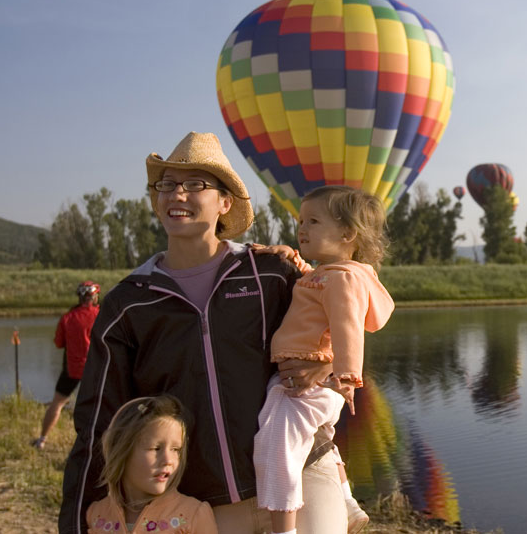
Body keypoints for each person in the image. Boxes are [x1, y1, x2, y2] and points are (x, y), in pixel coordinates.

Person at [60, 132, 349, 534]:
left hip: (301, 474)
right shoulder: (128, 303)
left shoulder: (268, 274)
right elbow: (98, 421)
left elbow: (347, 312)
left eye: (196, 184)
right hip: (201, 501)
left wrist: (329, 363)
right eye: (166, 185)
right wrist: (77, 519)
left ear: (225, 203)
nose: (177, 194)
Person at [254, 185, 394, 534]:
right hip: (309, 379)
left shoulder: (343, 280)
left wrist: (345, 377)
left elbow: (348, 328)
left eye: (314, 221)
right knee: (321, 440)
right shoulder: (330, 274)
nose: (303, 228)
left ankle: (283, 528)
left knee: (275, 449)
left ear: (348, 233)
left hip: (312, 381)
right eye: (301, 220)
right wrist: (292, 258)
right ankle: (346, 500)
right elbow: (312, 284)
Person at [85, 394, 218, 533]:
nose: (168, 460)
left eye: (176, 450)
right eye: (155, 448)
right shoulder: (96, 514)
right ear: (121, 450)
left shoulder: (193, 514)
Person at [31, 280, 101, 450]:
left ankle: (42, 440)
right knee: (102, 407)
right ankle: (99, 445)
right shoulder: (101, 314)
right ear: (94, 296)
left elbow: (58, 343)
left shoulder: (68, 317)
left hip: (72, 369)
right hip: (96, 369)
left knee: (57, 403)